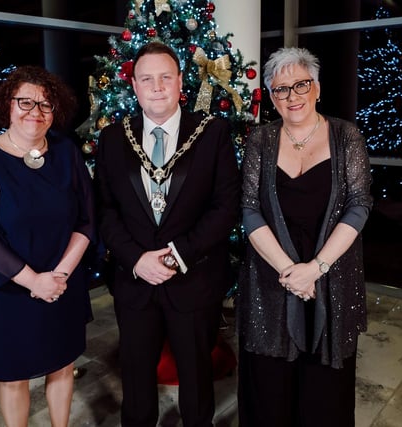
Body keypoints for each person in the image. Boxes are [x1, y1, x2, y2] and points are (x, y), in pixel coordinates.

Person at [95, 41, 240, 427]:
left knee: (196, 378)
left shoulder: (212, 133)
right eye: (147, 79)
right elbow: (106, 211)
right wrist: (137, 259)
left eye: (164, 77)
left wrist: (177, 255)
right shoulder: (112, 139)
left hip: (193, 279)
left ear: (180, 83)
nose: (156, 86)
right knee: (137, 380)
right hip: (135, 280)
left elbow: (226, 207)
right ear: (135, 87)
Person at [236, 47, 373, 427]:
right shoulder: (260, 141)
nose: (293, 96)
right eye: (281, 89)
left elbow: (359, 205)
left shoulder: (347, 136)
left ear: (316, 88)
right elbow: (249, 209)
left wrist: (315, 268)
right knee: (269, 390)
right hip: (270, 282)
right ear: (272, 97)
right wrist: (290, 272)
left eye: (301, 85)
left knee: (324, 396)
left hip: (332, 280)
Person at [0, 65, 95, 427]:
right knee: (14, 376)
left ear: (56, 110)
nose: (35, 111)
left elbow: (87, 220)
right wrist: (35, 281)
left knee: (62, 366)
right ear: (8, 105)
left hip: (62, 282)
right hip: (10, 288)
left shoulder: (66, 152)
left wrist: (59, 276)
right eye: (25, 102)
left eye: (45, 104)